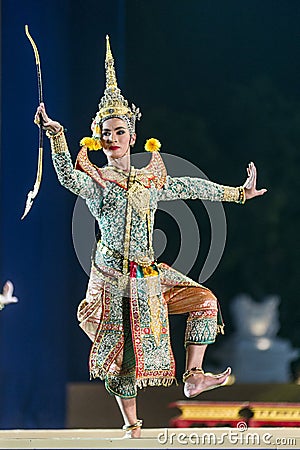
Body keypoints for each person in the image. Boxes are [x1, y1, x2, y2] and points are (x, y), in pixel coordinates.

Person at [34, 36, 267, 438]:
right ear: (96, 137)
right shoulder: (98, 183)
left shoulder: (151, 180)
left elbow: (193, 187)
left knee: (206, 300)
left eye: (119, 131)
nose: (112, 138)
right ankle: (133, 424)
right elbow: (67, 177)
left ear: (132, 136)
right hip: (110, 278)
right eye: (105, 132)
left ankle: (193, 375)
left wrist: (237, 194)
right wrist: (56, 136)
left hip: (148, 274)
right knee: (120, 355)